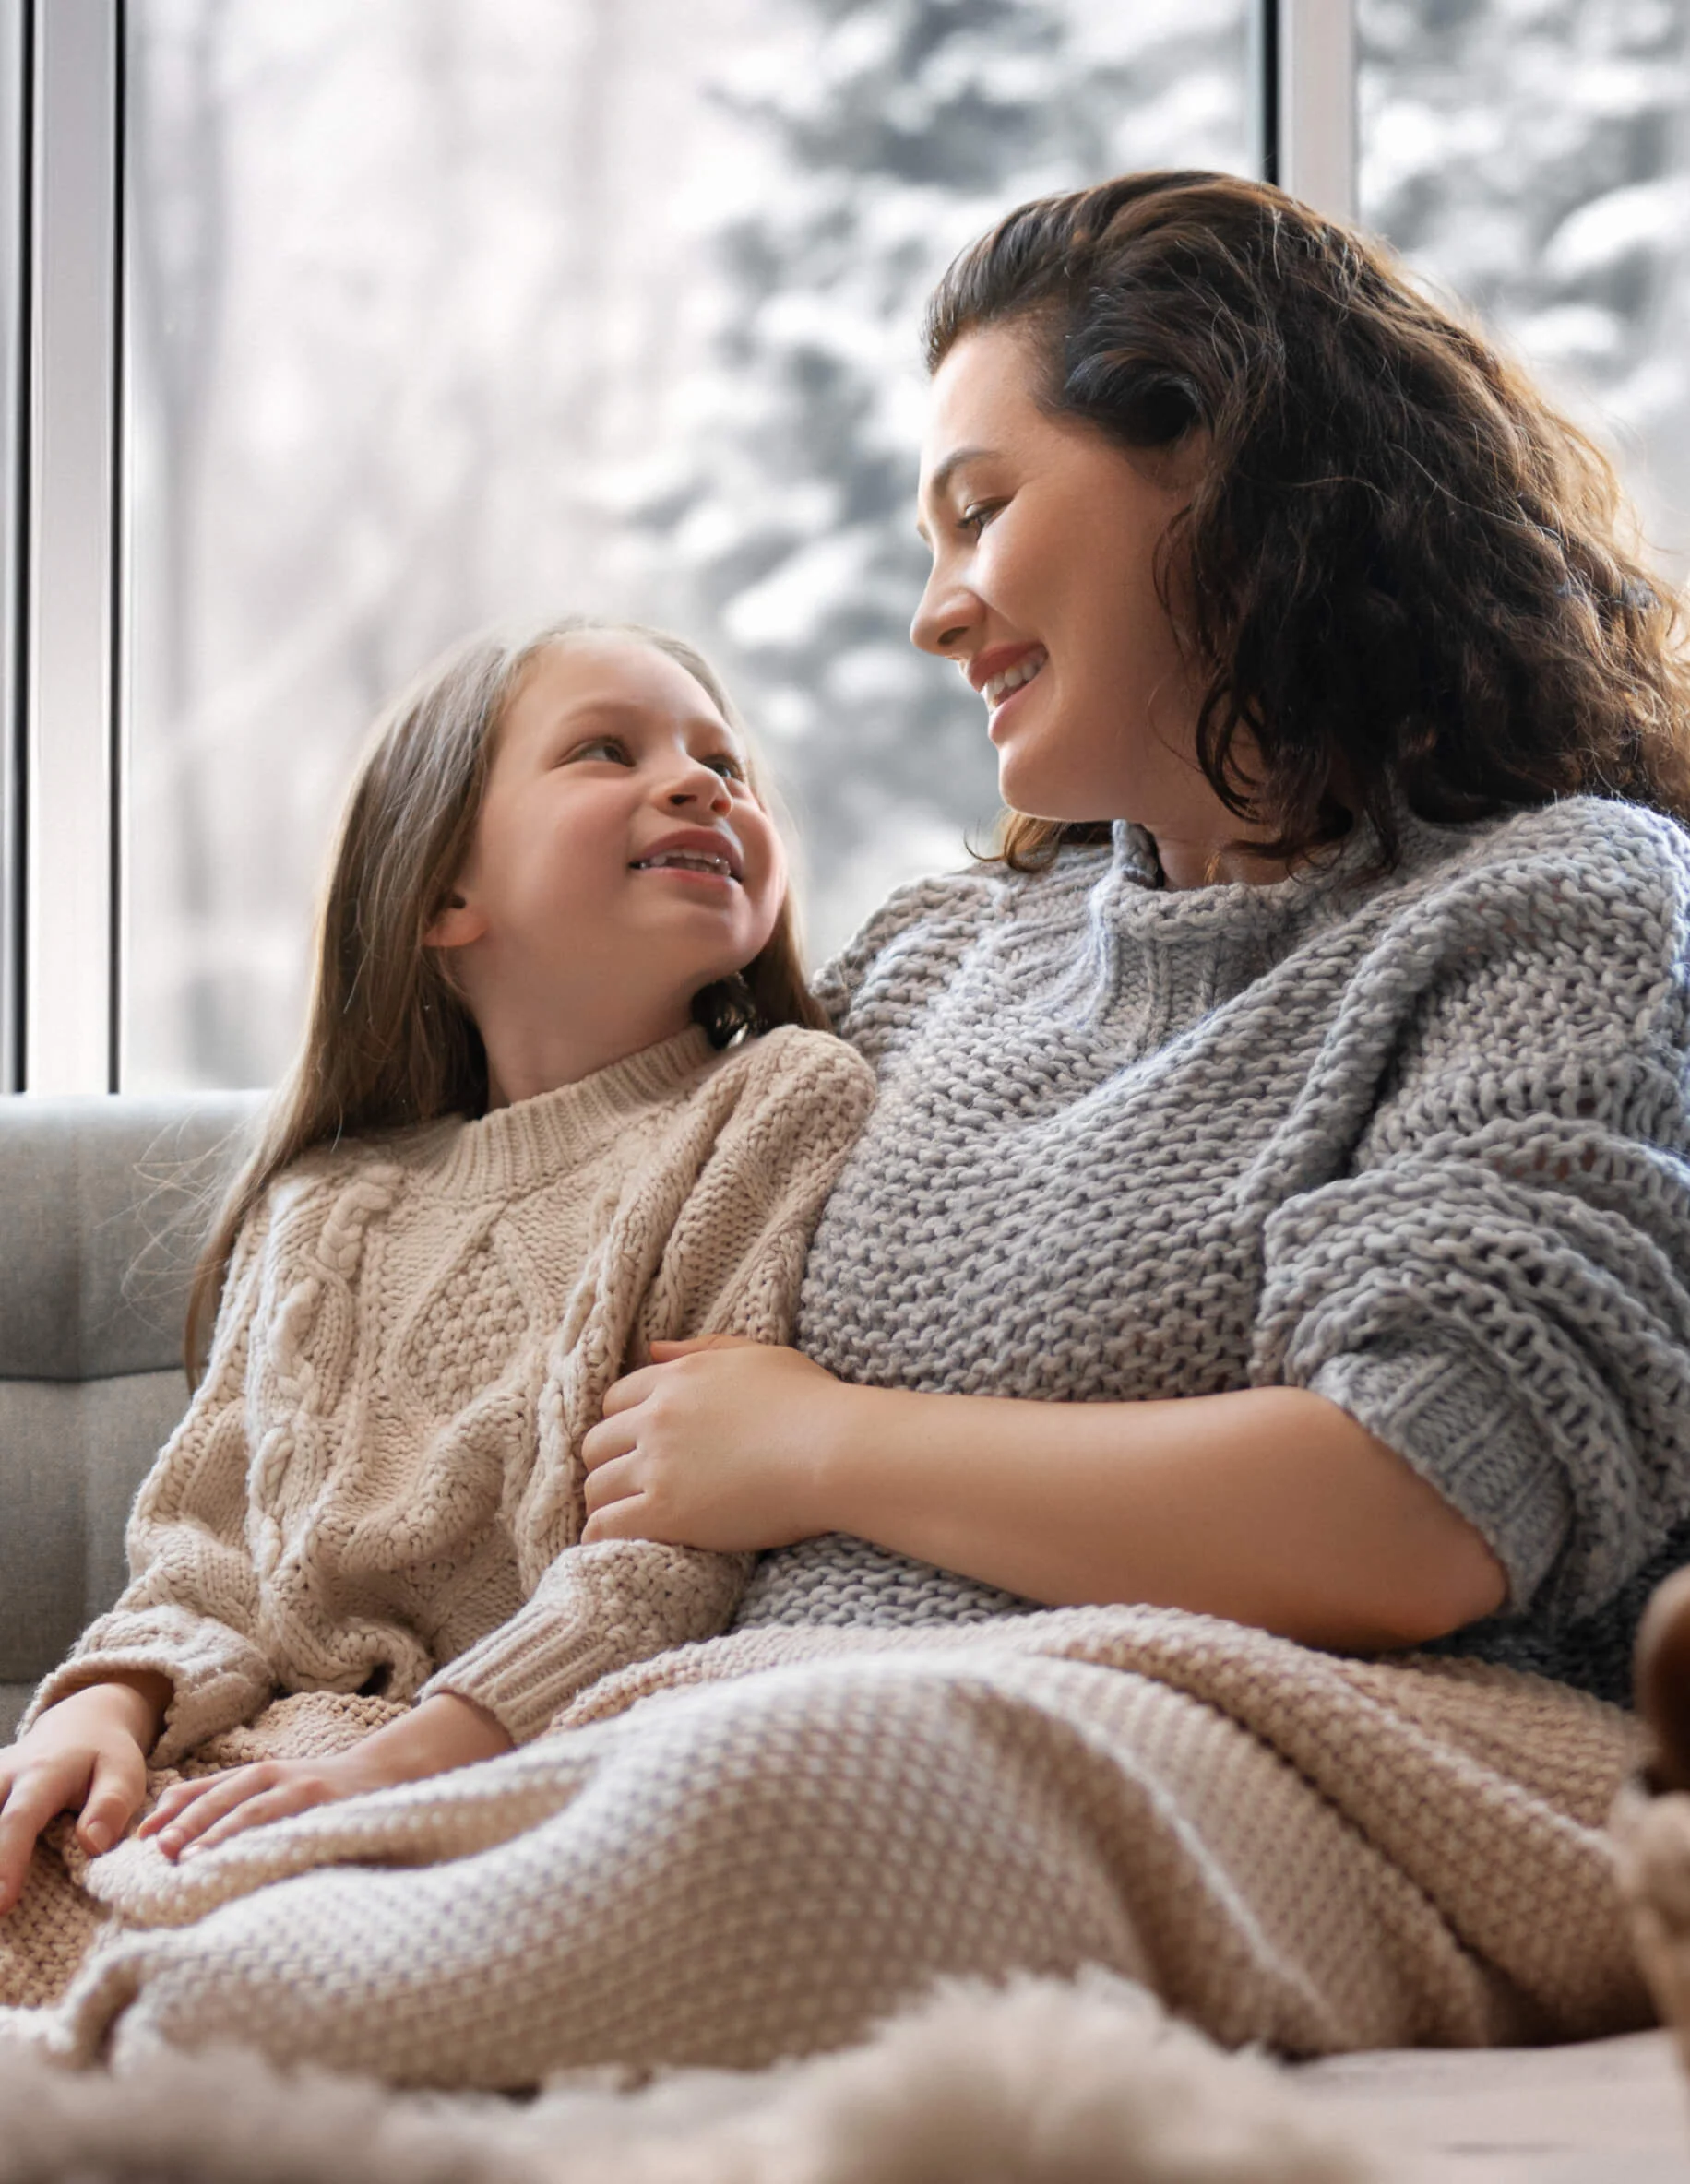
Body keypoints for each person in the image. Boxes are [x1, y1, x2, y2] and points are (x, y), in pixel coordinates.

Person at [4, 169, 1688, 2083]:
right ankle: (182, 1993)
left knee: (794, 1795)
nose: (930, 606)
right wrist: (154, 1689)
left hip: (1331, 1735)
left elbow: (1423, 1509)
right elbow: (581, 1216)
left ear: (1223, 469)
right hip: (745, 1706)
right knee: (172, 1839)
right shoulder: (936, 955)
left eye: (981, 507)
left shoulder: (1555, 900)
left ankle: (144, 2067)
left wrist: (823, 1445)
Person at [0, 616, 874, 2000]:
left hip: (549, 1747)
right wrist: (105, 1708)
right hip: (277, 1753)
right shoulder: (327, 1208)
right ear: (440, 898)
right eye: (609, 750)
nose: (705, 782)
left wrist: (409, 1765)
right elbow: (209, 1553)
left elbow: (671, 1556)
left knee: (252, 1971)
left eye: (727, 762)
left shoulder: (776, 1102)